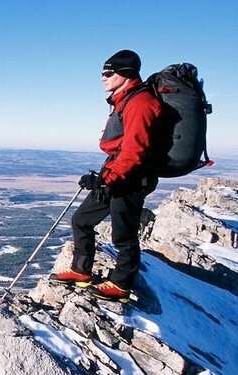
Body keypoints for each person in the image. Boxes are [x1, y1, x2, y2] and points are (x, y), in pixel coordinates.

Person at [50, 50, 162, 303]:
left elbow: (135, 151)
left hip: (131, 177)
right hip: (114, 172)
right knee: (81, 219)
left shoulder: (141, 103)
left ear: (126, 73)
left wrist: (105, 179)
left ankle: (121, 285)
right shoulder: (124, 100)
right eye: (103, 72)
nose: (103, 77)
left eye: (108, 72)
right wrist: (102, 176)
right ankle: (81, 271)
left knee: (124, 233)